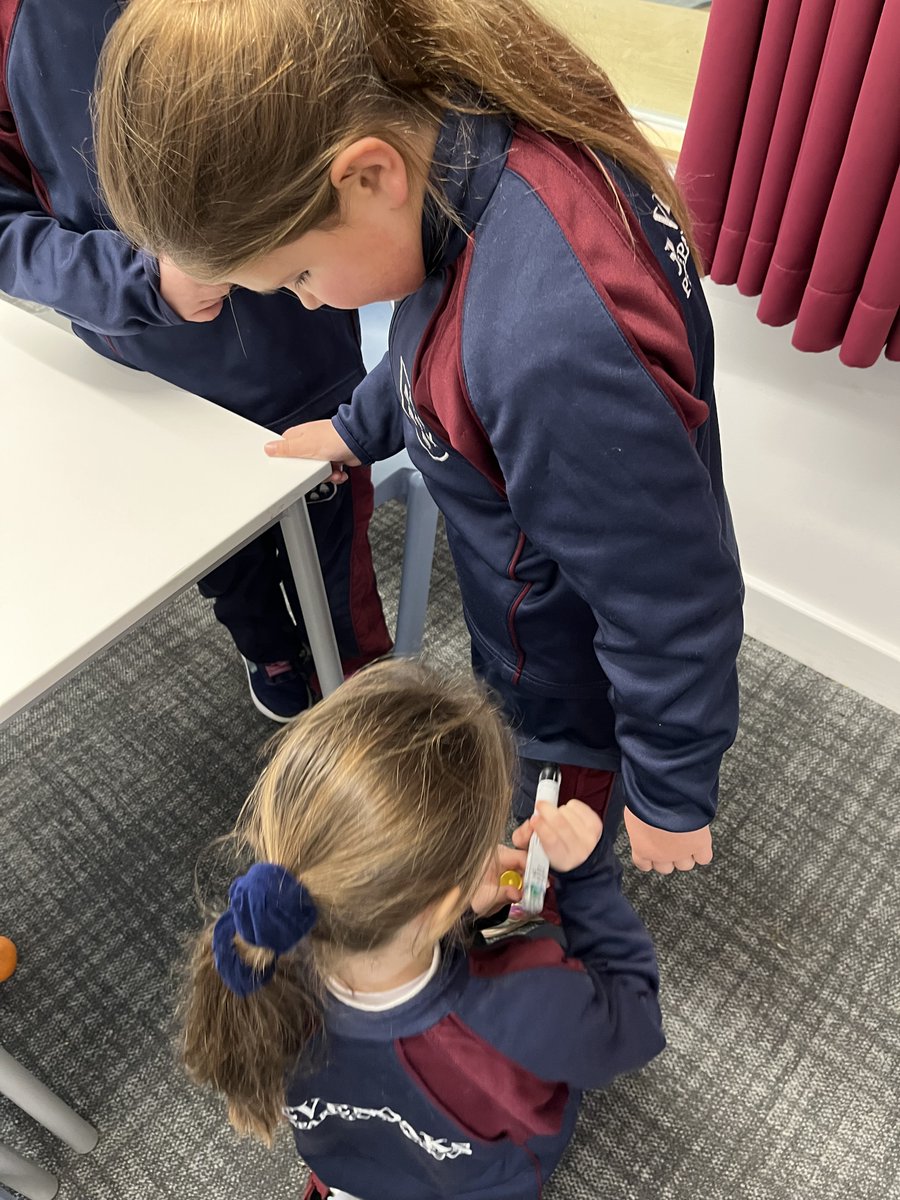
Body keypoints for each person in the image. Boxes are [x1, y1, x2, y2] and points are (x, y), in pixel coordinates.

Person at [93, 0, 745, 870]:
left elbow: (668, 598)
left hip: (567, 691)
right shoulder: (463, 146)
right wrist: (358, 427)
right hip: (531, 609)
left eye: (298, 275)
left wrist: (670, 788)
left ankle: (544, 965)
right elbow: (429, 347)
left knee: (537, 866)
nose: (313, 302)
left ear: (369, 176)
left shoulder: (547, 349)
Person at [0, 0, 392, 723]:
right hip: (149, 373)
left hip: (299, 361)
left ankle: (359, 681)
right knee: (223, 556)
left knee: (336, 549)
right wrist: (140, 279)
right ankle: (270, 649)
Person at [181, 659, 664, 1200]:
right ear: (438, 906)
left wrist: (456, 913)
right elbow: (635, 1017)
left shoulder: (263, 968)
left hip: (348, 1179)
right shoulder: (525, 1004)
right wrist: (587, 879)